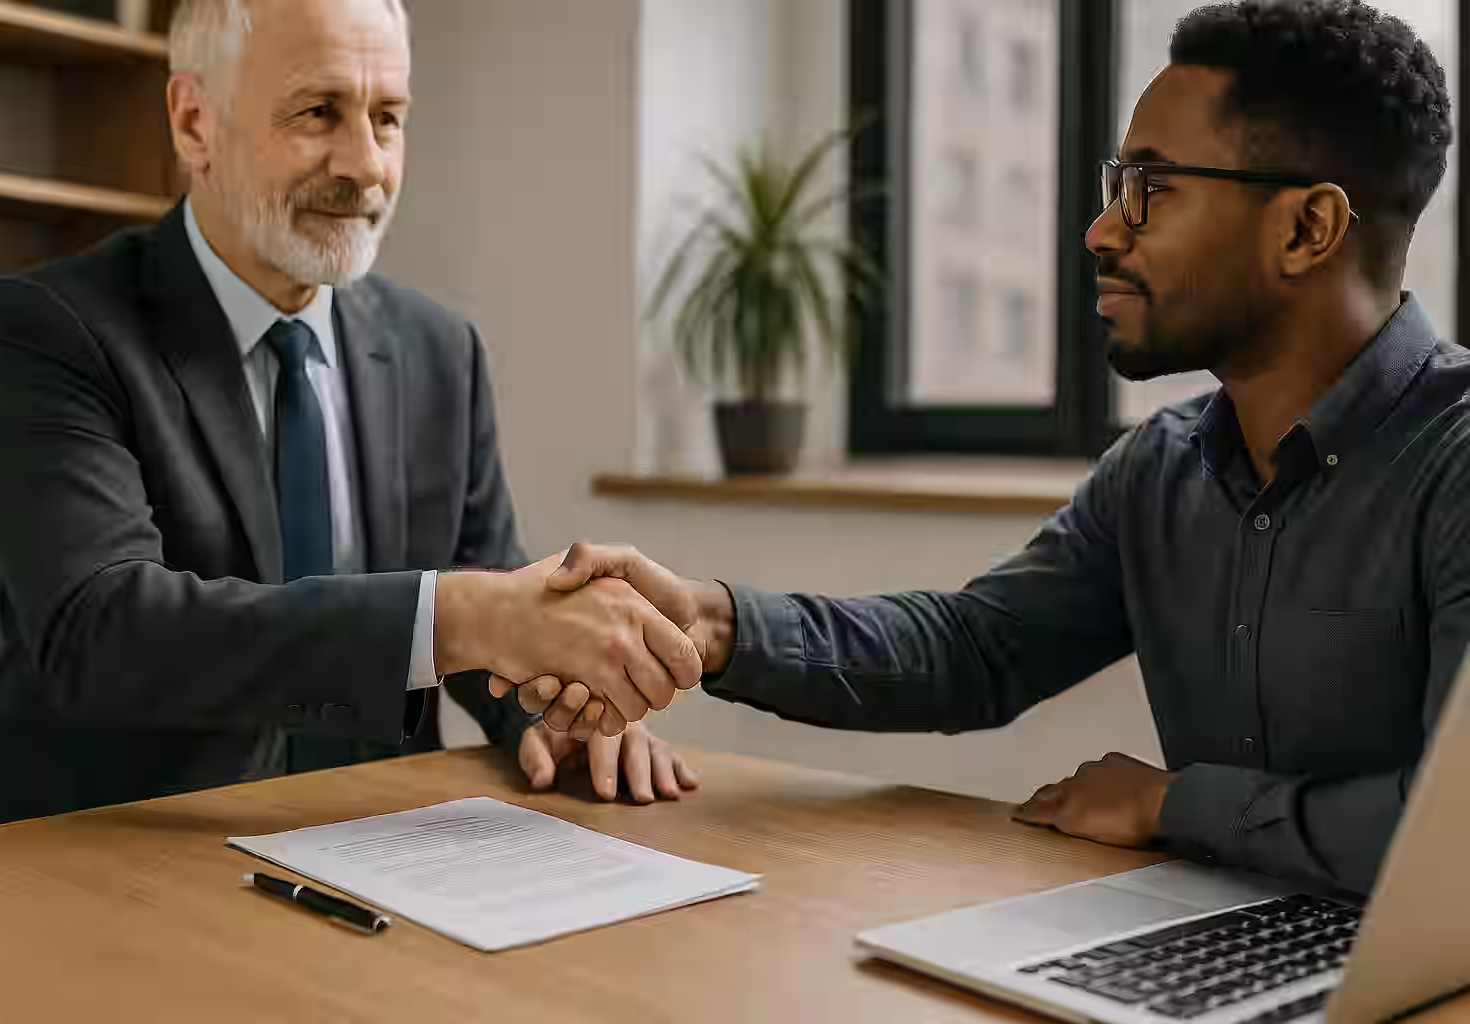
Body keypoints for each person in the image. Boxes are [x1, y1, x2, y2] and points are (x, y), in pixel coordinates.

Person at [505, 0, 1462, 897]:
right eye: (1113, 188)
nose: (1100, 231)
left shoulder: (1453, 462)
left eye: (1151, 191)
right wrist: (715, 626)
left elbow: (1455, 838)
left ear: (1308, 228)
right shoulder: (1163, 468)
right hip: (1204, 941)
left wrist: (1176, 804)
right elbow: (976, 649)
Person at [0, 0, 702, 832]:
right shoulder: (54, 327)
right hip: (99, 858)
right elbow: (103, 631)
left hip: (376, 846)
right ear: (195, 123)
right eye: (318, 112)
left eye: (388, 117)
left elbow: (491, 597)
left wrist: (554, 709)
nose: (366, 164)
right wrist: (456, 615)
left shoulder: (439, 351)